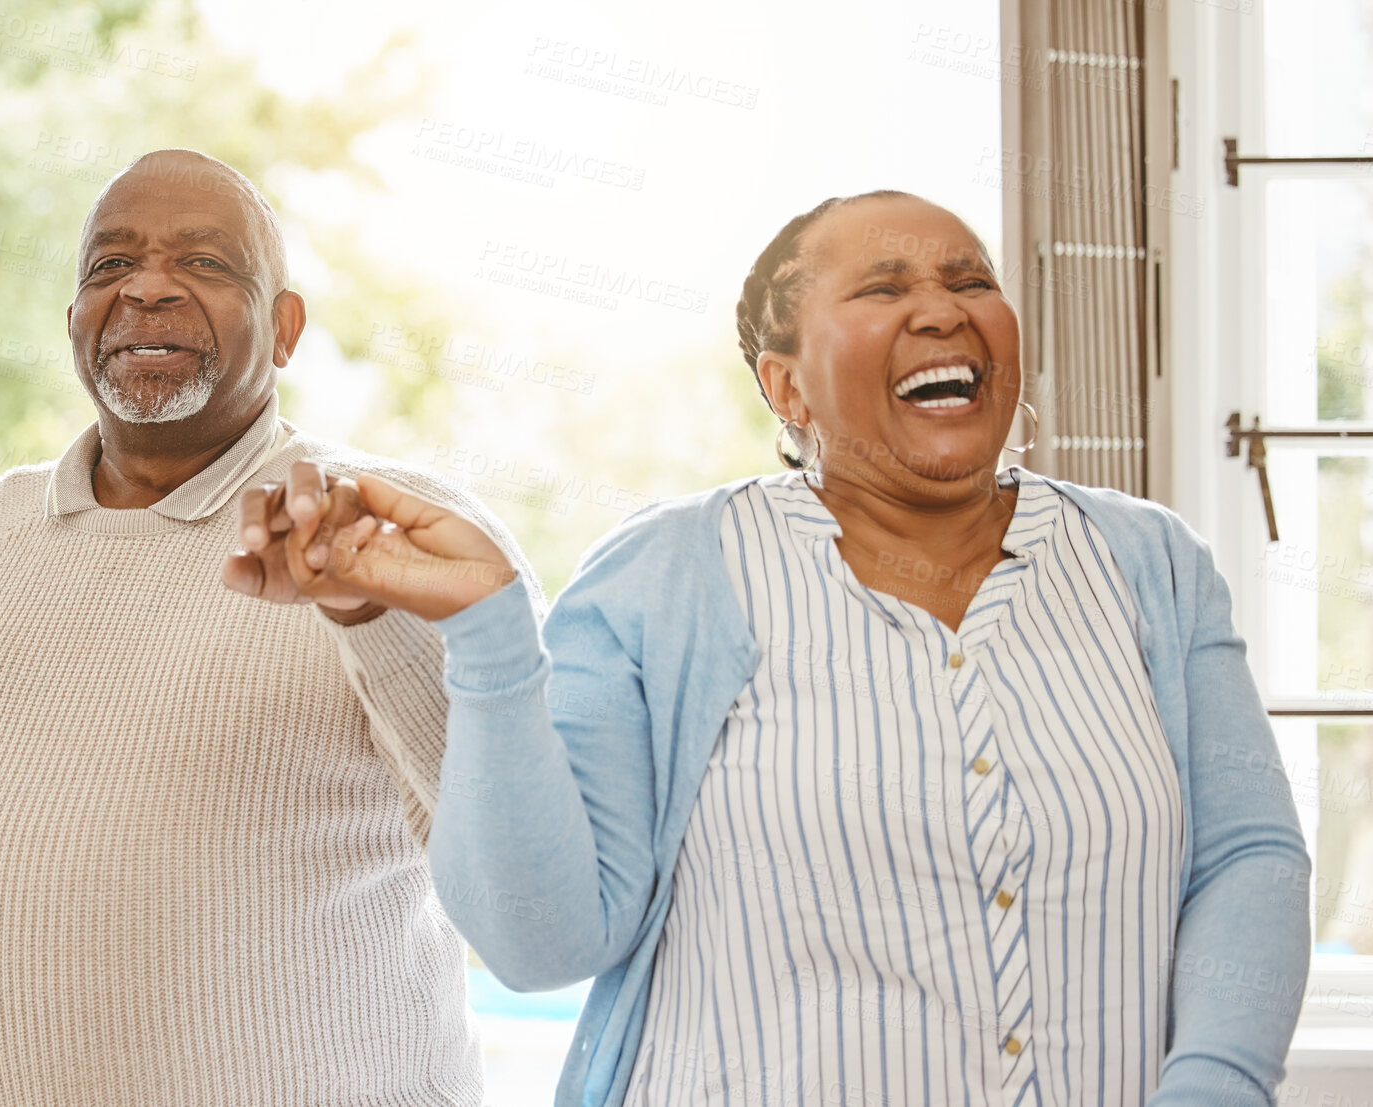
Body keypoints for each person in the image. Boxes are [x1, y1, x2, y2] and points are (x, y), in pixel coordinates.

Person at [240, 191, 1312, 1106]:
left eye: (967, 278)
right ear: (787, 388)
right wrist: (486, 638)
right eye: (884, 289)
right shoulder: (667, 577)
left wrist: (1216, 1084)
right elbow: (540, 940)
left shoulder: (1147, 563)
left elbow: (1244, 857)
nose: (941, 308)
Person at [0, 149, 539, 1107]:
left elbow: (513, 865)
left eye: (203, 263)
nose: (147, 287)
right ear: (73, 323)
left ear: (284, 329)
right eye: (110, 266)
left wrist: (365, 612)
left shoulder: (385, 531)